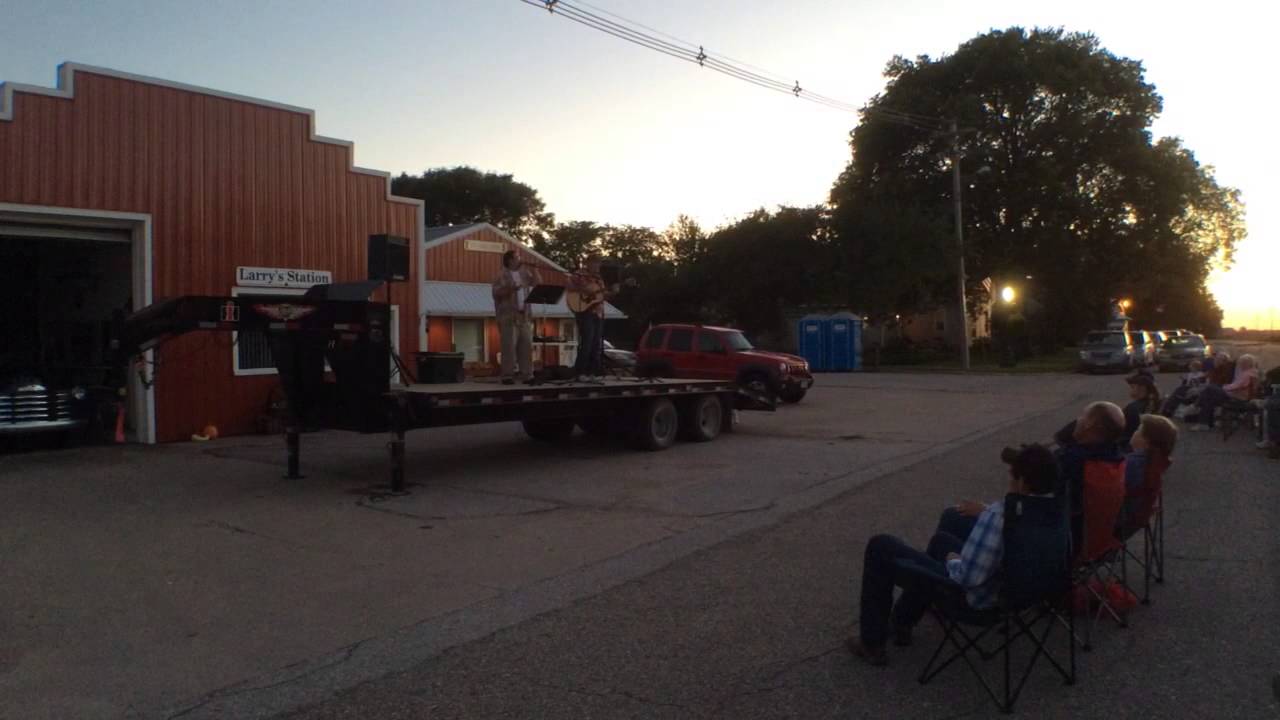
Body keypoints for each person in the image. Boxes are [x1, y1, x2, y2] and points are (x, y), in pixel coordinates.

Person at [846, 444, 1060, 666]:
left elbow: (967, 578)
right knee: (942, 540)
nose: (1009, 481)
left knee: (880, 546)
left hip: (975, 602)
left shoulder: (1001, 517)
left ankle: (871, 643)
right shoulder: (1054, 510)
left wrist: (953, 560)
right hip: (1022, 596)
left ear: (1023, 483)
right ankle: (902, 621)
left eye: (1012, 477)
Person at [1052, 401, 1126, 542]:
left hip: (1071, 542)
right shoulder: (1116, 457)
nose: (1078, 420)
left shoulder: (1072, 461)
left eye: (1082, 416)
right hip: (1101, 539)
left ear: (1090, 425)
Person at [1119, 414, 1178, 530]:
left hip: (1122, 520)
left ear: (1147, 441)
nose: (1134, 432)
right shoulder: (1156, 460)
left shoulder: (1132, 463)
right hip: (1138, 515)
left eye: (1138, 430)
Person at [491, 250, 540, 385]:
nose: (520, 259)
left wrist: (535, 271)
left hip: (524, 315)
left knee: (526, 345)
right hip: (508, 315)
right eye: (517, 257)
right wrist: (511, 289)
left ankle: (527, 374)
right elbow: (496, 293)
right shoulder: (501, 274)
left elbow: (537, 284)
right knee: (509, 346)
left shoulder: (524, 273)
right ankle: (508, 375)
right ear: (510, 260)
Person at [567, 254, 615, 379]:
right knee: (587, 341)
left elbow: (601, 295)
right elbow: (568, 286)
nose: (597, 266)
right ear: (588, 263)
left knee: (596, 343)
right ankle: (580, 372)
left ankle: (593, 372)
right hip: (584, 311)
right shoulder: (579, 274)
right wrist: (584, 289)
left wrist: (612, 292)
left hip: (598, 312)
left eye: (599, 263)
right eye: (595, 263)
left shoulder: (599, 278)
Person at [1189, 353, 1259, 431]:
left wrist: (1223, 387)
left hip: (1237, 398)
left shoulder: (1247, 374)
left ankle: (1196, 408)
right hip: (1236, 396)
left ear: (1246, 364)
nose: (1240, 365)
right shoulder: (1252, 372)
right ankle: (1203, 423)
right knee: (1209, 397)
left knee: (1210, 388)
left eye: (1241, 363)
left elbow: (1236, 386)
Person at [1122, 373, 1162, 449]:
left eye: (1132, 387)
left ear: (1141, 388)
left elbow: (1124, 430)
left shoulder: (1133, 408)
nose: (1130, 390)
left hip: (1129, 444)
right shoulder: (1154, 403)